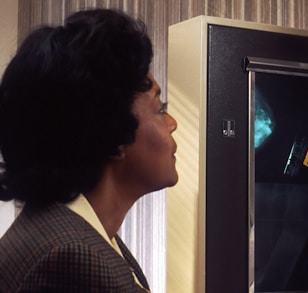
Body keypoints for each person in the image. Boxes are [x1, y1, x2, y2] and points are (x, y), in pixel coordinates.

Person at [0, 9, 177, 292]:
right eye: (160, 109)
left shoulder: (70, 231)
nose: (172, 124)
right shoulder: (74, 256)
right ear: (115, 133)